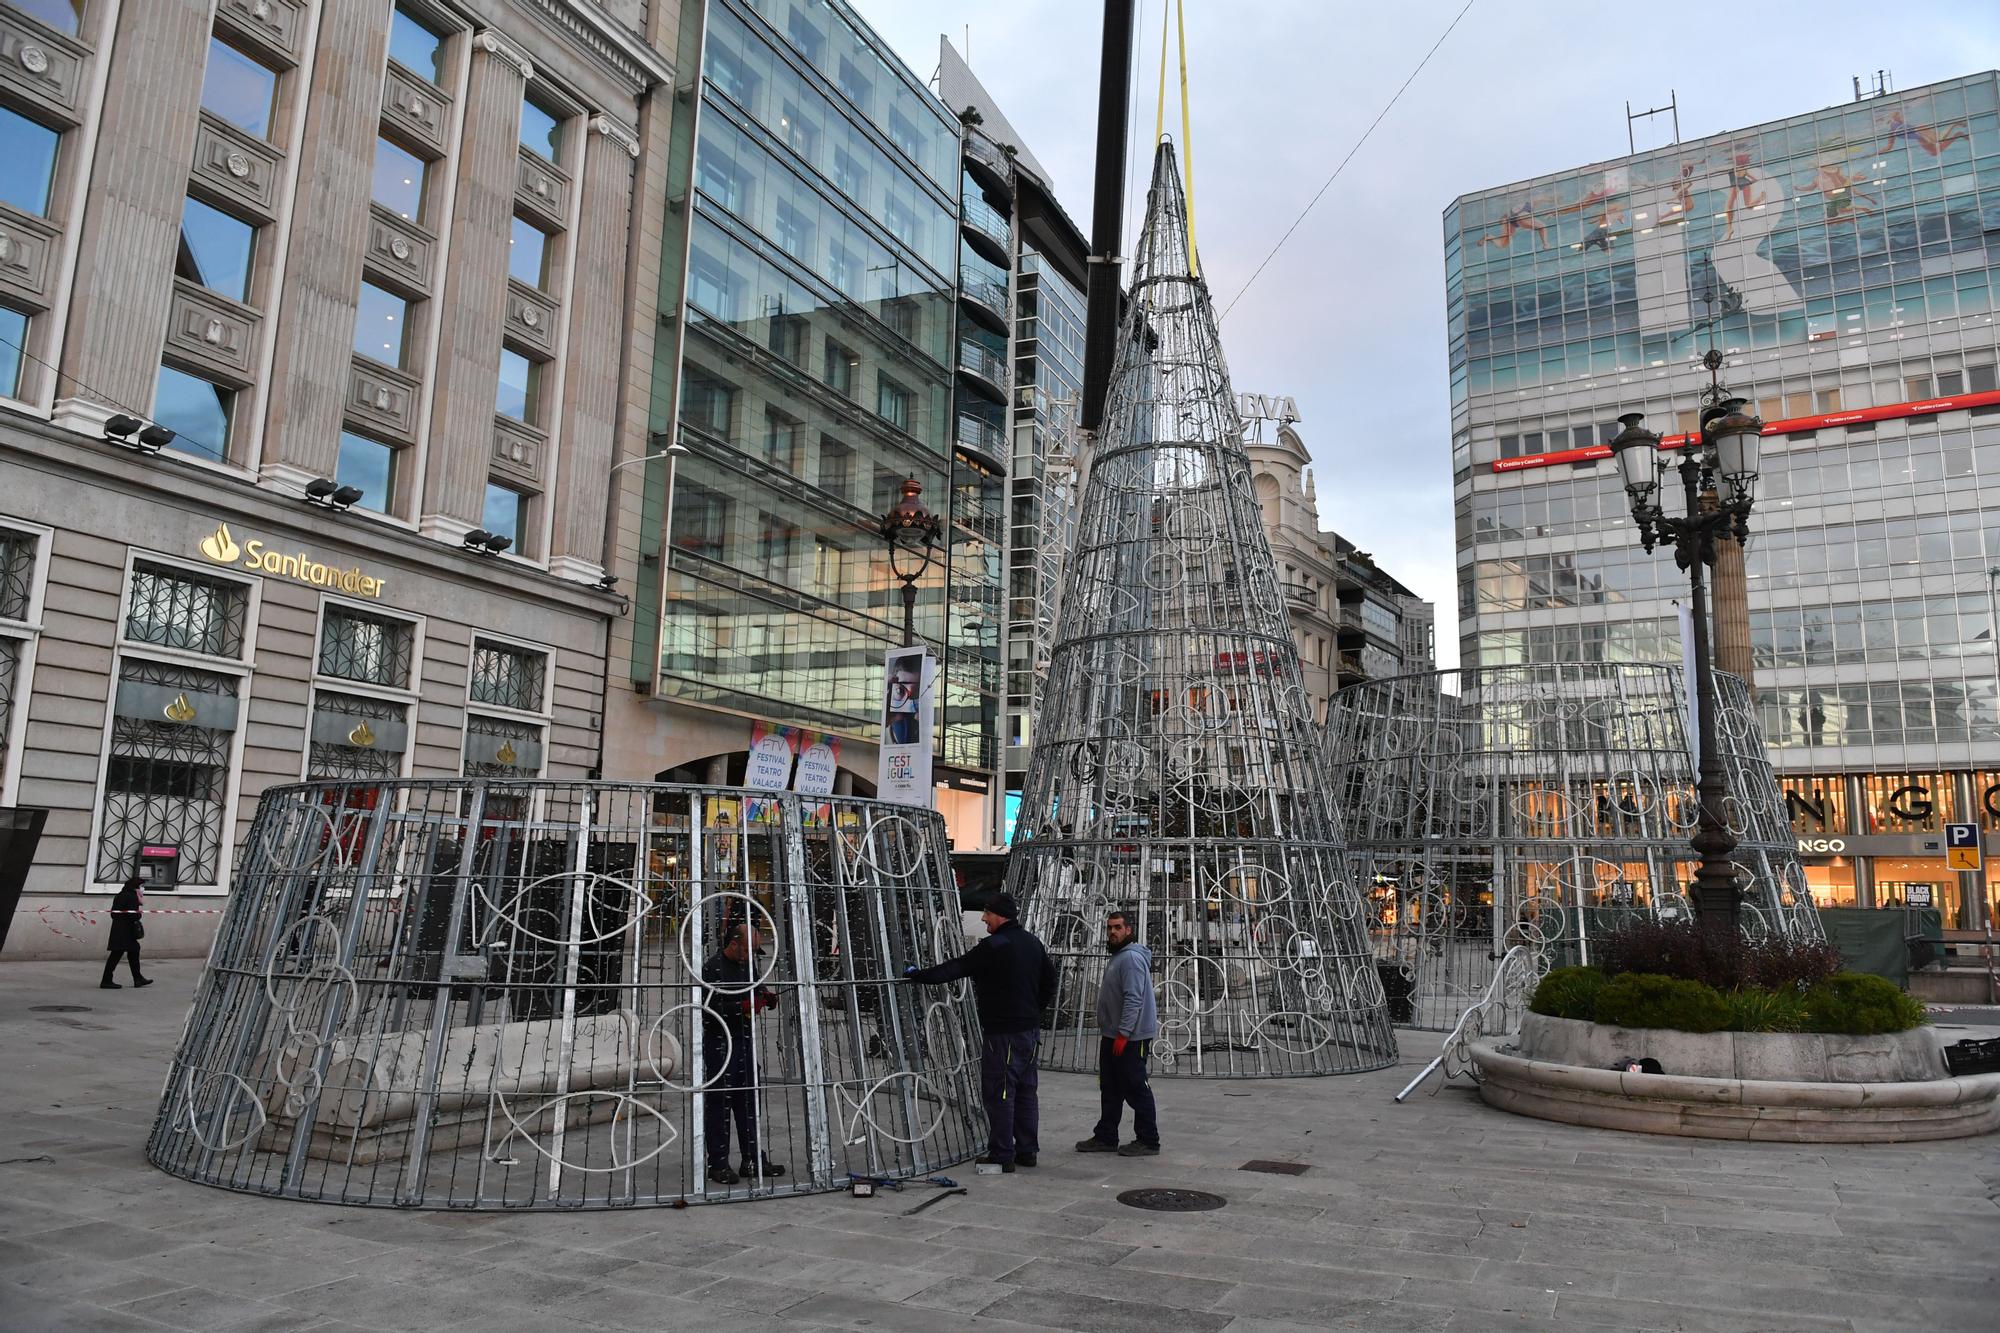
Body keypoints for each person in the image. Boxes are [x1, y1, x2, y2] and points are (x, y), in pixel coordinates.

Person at [902, 891, 1056, 1172]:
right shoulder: (1033, 943)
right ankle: (1027, 1150)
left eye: (987, 913)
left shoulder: (995, 946)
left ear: (1000, 915)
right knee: (1025, 1091)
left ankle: (1002, 1153)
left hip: (1004, 1032)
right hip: (1029, 1031)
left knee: (1000, 1092)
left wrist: (917, 975)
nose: (983, 917)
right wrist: (1034, 1009)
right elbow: (1049, 980)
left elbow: (956, 968)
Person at [701, 920, 785, 1186]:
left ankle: (753, 1158)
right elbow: (709, 1006)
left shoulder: (747, 964)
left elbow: (757, 988)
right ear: (734, 944)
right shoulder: (712, 968)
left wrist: (765, 997)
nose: (751, 956)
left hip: (744, 1040)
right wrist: (745, 1004)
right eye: (748, 949)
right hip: (720, 1041)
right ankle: (718, 1162)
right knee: (719, 1101)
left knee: (748, 1099)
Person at [1076, 909, 1159, 1157]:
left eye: (1117, 927)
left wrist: (1124, 1033)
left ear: (1128, 930)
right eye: (1110, 927)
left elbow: (1133, 998)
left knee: (1136, 1087)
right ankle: (1106, 1135)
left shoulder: (1130, 959)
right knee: (1110, 1087)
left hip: (1130, 1037)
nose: (1112, 932)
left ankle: (1148, 1139)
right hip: (1114, 1034)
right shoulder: (1119, 956)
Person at [101, 875, 152, 990]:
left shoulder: (120, 895)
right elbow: (133, 915)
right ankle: (106, 980)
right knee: (117, 955)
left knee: (132, 951)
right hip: (126, 931)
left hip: (119, 929)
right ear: (137, 886)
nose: (142, 889)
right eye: (142, 886)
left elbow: (113, 914)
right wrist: (138, 914)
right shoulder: (132, 896)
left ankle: (138, 978)